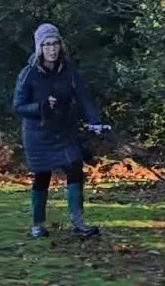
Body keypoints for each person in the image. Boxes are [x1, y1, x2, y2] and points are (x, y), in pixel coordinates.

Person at [12, 23, 108, 239]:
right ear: (39, 48)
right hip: (37, 133)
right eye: (46, 45)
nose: (52, 49)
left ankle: (79, 223)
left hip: (63, 131)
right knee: (42, 176)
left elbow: (83, 97)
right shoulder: (28, 74)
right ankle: (37, 225)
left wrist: (95, 122)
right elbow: (18, 106)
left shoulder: (69, 71)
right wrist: (41, 106)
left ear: (60, 45)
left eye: (55, 43)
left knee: (75, 168)